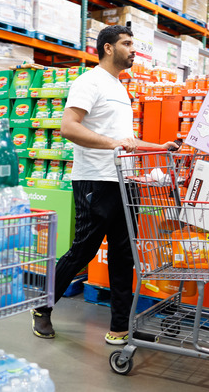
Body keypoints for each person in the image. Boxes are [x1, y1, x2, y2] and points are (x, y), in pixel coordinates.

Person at [30, 25, 178, 344]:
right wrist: (112, 145)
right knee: (83, 250)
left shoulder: (120, 88)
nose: (132, 49)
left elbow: (126, 141)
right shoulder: (89, 81)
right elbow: (68, 127)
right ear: (108, 48)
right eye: (127, 44)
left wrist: (158, 147)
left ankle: (120, 328)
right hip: (95, 180)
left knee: (124, 256)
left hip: (123, 181)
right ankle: (42, 307)